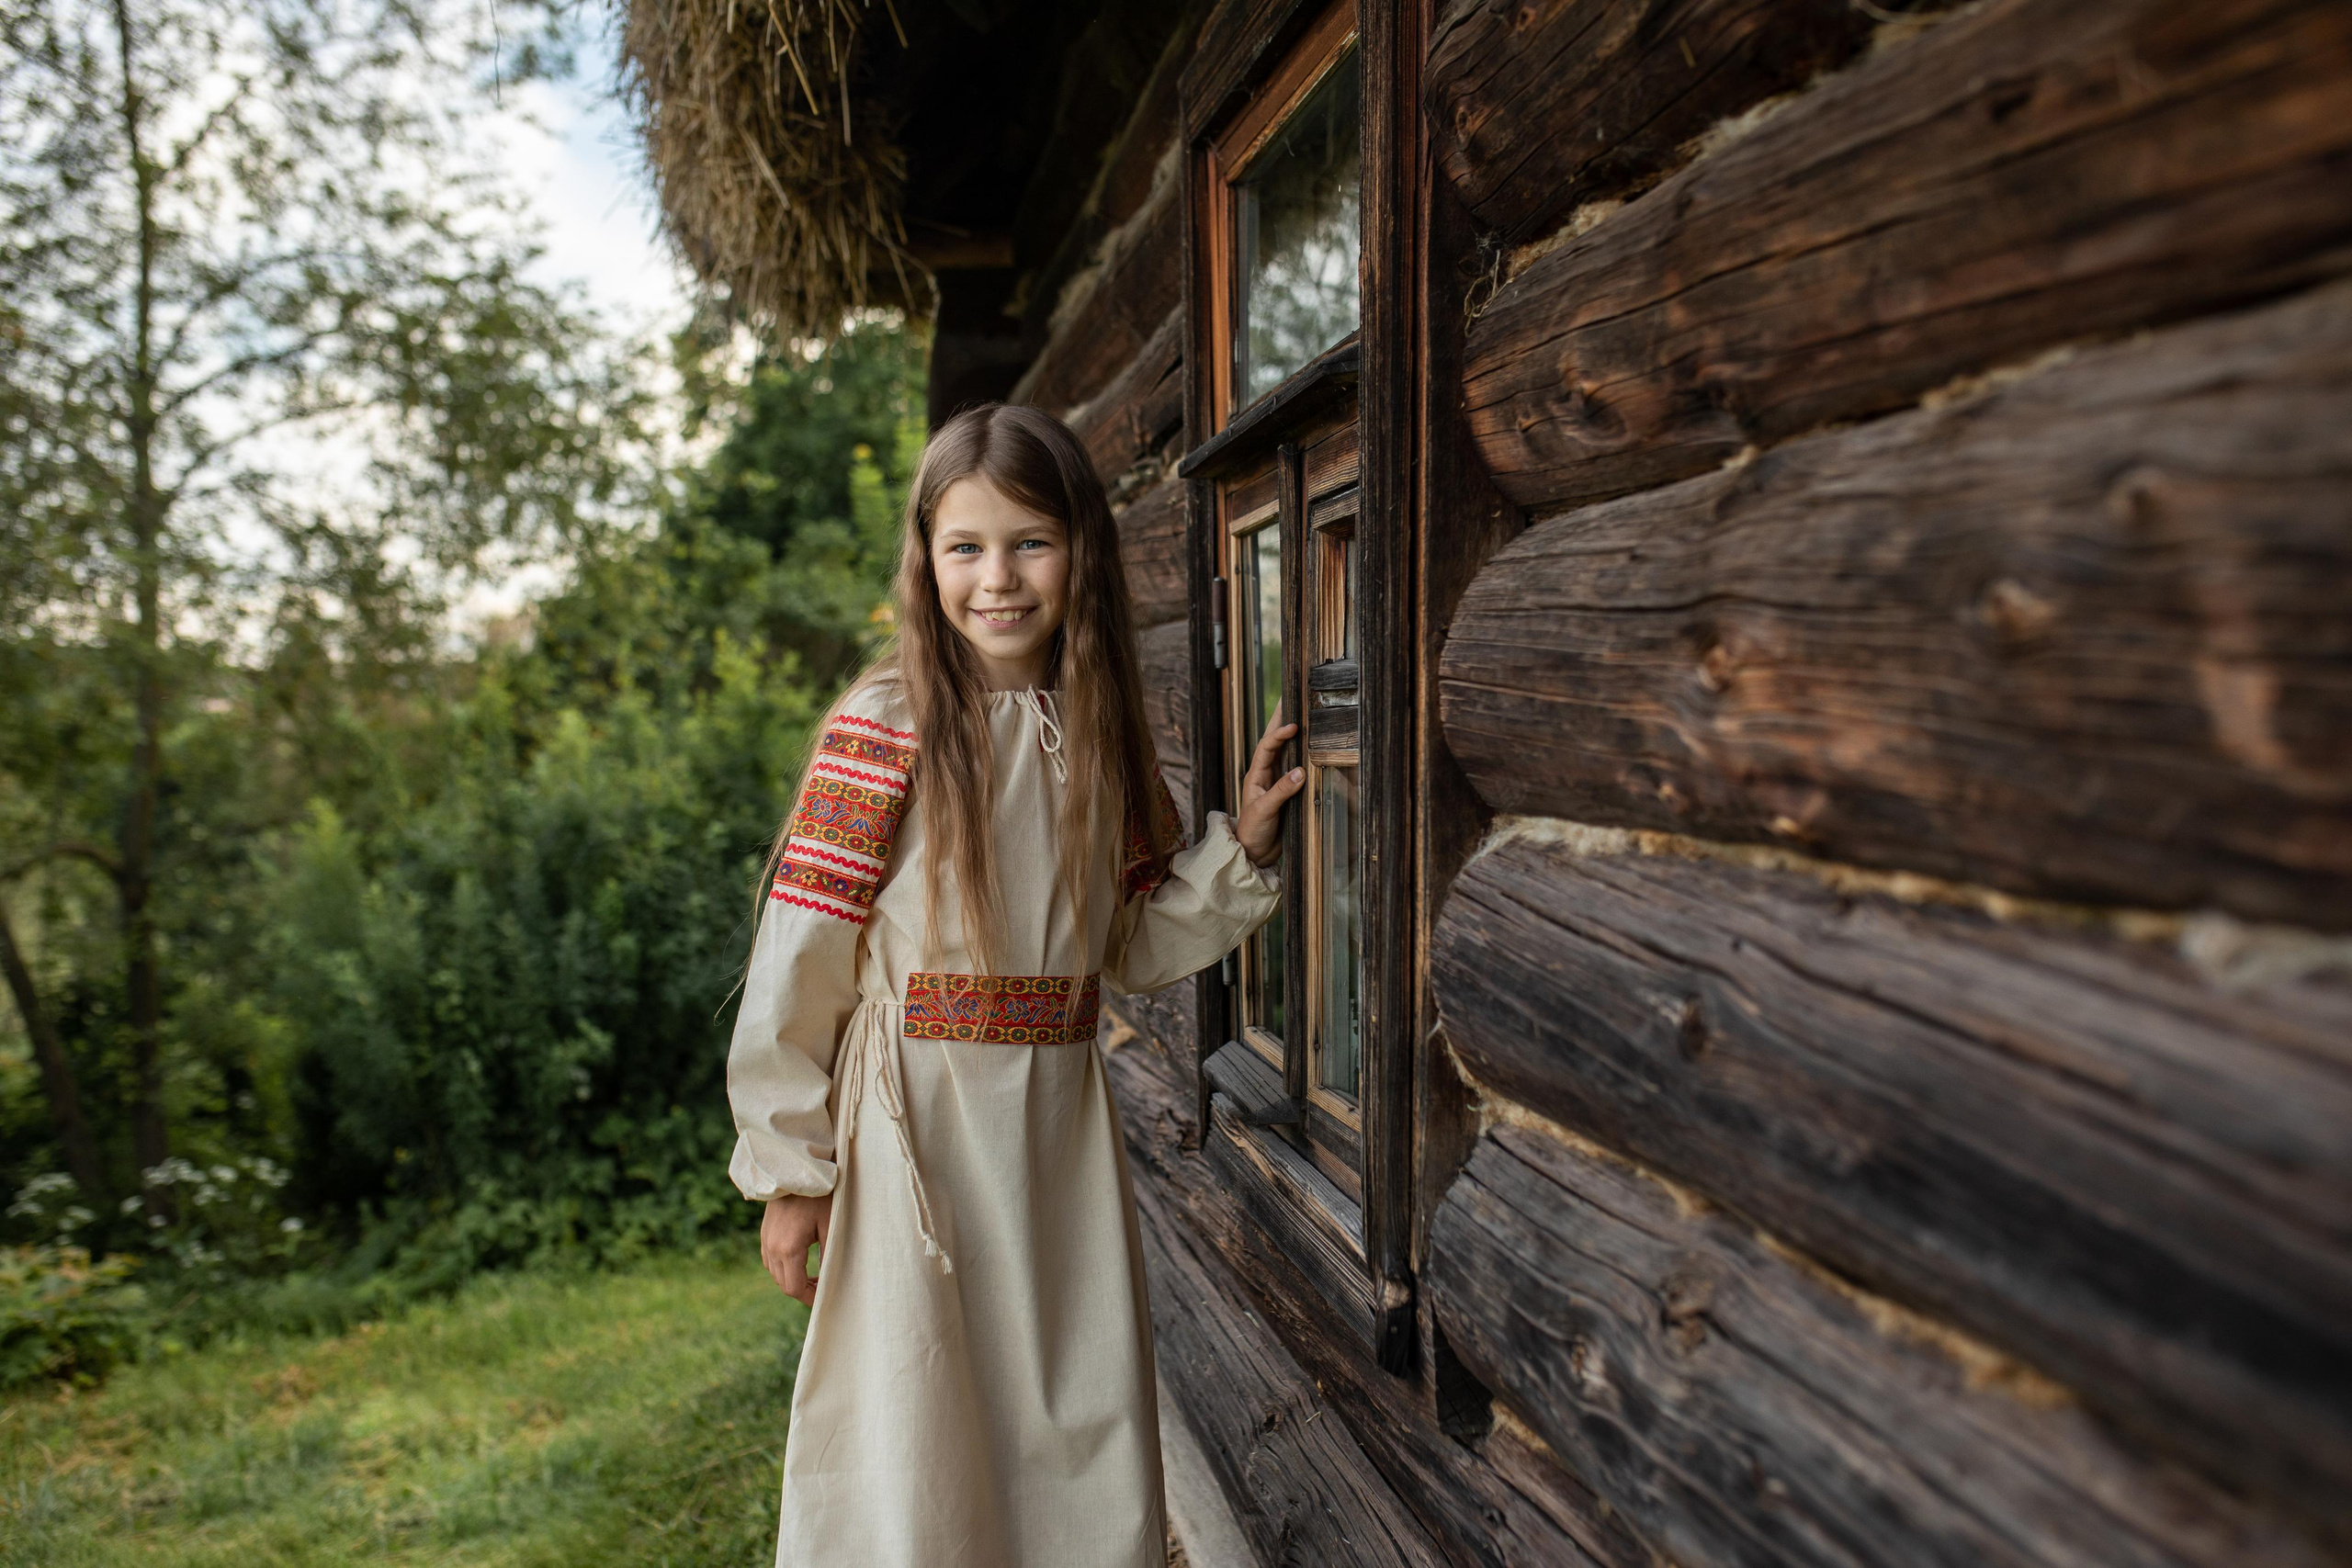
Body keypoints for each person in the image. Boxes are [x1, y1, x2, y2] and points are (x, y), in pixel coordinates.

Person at [725, 402, 1302, 1567]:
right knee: (916, 1410)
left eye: (1030, 541)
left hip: (1054, 1129)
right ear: (926, 558)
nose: (998, 578)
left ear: (1080, 547)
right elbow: (799, 957)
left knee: (1069, 1410)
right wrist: (791, 1173)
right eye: (966, 546)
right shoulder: (882, 727)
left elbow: (1124, 944)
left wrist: (1238, 850)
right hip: (915, 1124)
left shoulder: (1098, 732)